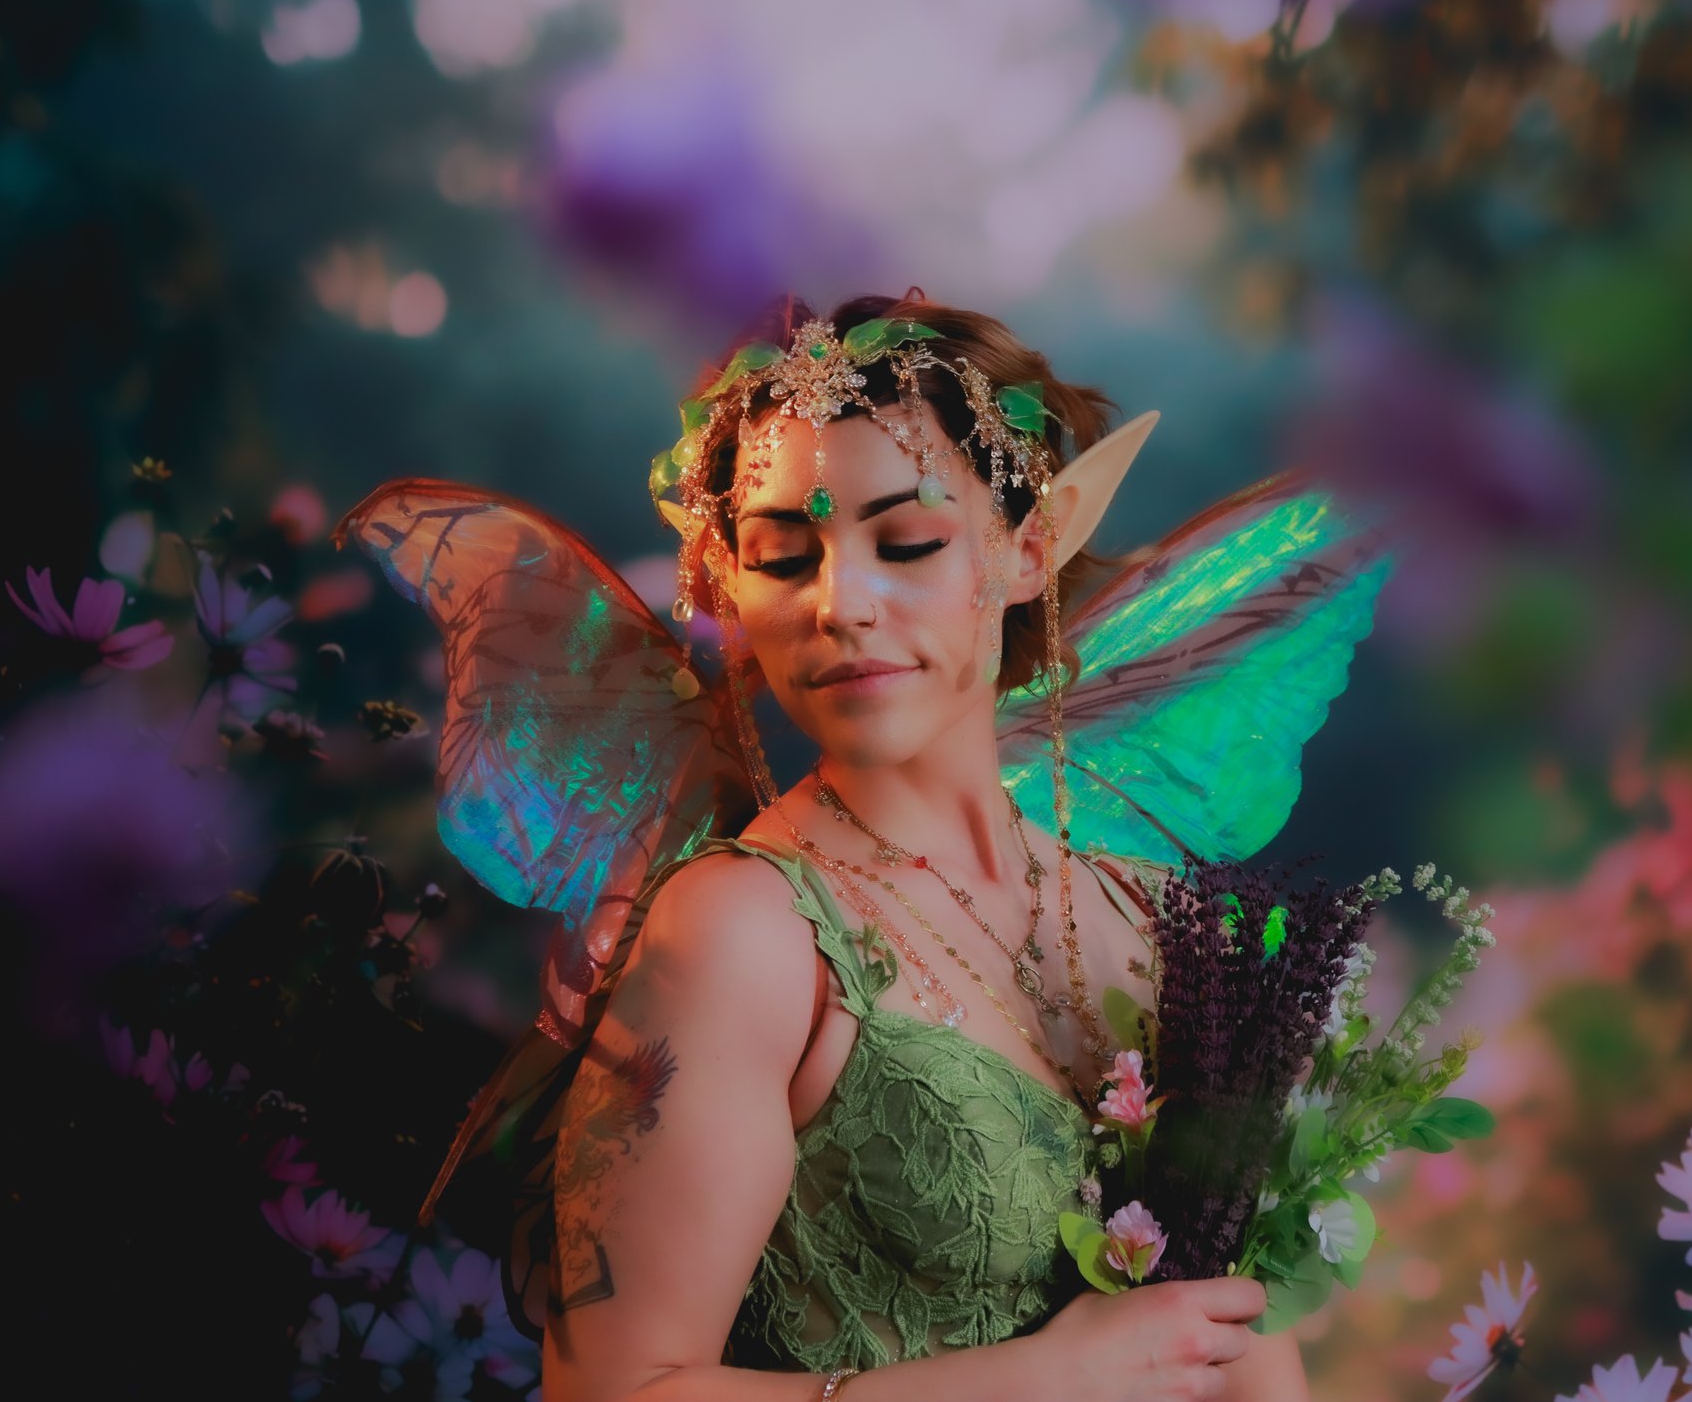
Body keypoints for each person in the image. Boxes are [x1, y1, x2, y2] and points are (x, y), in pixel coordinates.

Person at [337, 290, 1394, 1402]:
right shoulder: (745, 931)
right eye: (783, 555)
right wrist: (1047, 1377)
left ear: (1026, 548)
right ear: (728, 584)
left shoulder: (1145, 911)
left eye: (909, 540)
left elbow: (1235, 1330)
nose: (841, 603)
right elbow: (611, 1391)